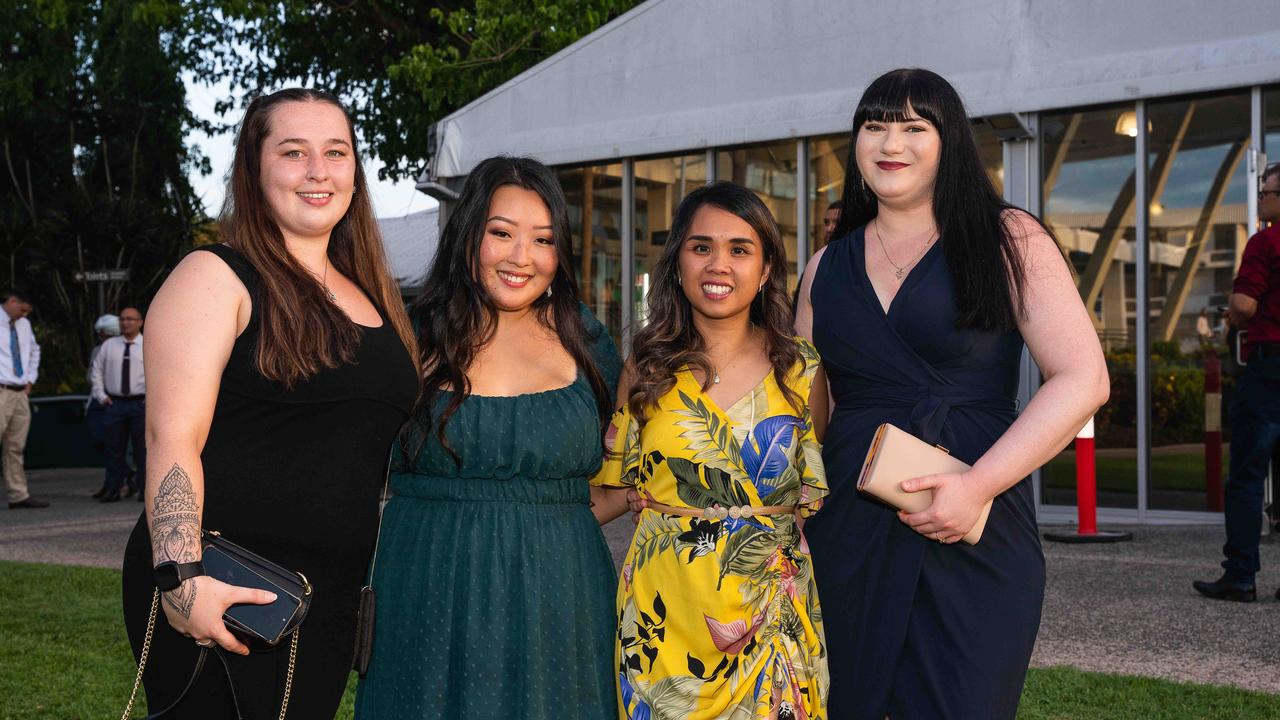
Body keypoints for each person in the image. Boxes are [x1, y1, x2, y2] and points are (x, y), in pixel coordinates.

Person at [794, 68, 1108, 719]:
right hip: (846, 534)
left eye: (915, 126)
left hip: (974, 526)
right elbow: (798, 417)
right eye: (875, 124)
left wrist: (978, 485)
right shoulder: (825, 268)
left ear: (951, 141)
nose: (891, 141)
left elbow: (1083, 378)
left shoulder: (1008, 237)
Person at [120, 88, 419, 718]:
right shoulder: (214, 274)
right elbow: (172, 436)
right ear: (254, 171)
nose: (318, 171)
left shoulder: (373, 294)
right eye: (293, 152)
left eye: (336, 153)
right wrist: (179, 582)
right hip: (223, 586)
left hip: (327, 599)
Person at [354, 156, 620, 719]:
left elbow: (621, 479)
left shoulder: (590, 347)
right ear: (468, 233)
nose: (522, 257)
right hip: (427, 588)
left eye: (543, 239)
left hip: (561, 595)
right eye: (502, 233)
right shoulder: (406, 341)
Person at [592, 181, 829, 719]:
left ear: (766, 269)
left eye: (739, 249)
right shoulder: (646, 369)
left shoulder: (803, 373)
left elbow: (813, 500)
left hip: (774, 625)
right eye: (701, 247)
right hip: (662, 623)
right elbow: (610, 493)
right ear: (677, 263)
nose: (718, 264)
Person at [1195, 162, 1280, 603]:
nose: (1262, 201)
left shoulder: (1266, 242)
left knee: (1247, 474)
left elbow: (1245, 305)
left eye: (1266, 194)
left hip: (1269, 369)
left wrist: (1230, 314)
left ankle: (1241, 575)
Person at [90, 306, 147, 503]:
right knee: (113, 450)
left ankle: (144, 491)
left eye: (130, 319)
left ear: (140, 322)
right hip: (115, 404)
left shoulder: (148, 344)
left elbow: (158, 373)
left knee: (143, 451)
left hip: (140, 404)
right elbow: (96, 371)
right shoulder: (109, 345)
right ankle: (113, 490)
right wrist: (101, 396)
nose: (125, 322)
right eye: (122, 319)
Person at [1, 287, 46, 510]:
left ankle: (18, 494)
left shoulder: (24, 324)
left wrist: (30, 378)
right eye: (22, 309)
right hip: (1, 390)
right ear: (11, 301)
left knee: (15, 446)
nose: (24, 314)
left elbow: (34, 350)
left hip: (19, 392)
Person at [88, 313, 120, 499]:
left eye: (106, 334)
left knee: (113, 445)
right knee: (100, 440)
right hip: (98, 399)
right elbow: (92, 374)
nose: (102, 338)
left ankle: (114, 483)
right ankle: (120, 477)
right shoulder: (98, 350)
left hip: (117, 400)